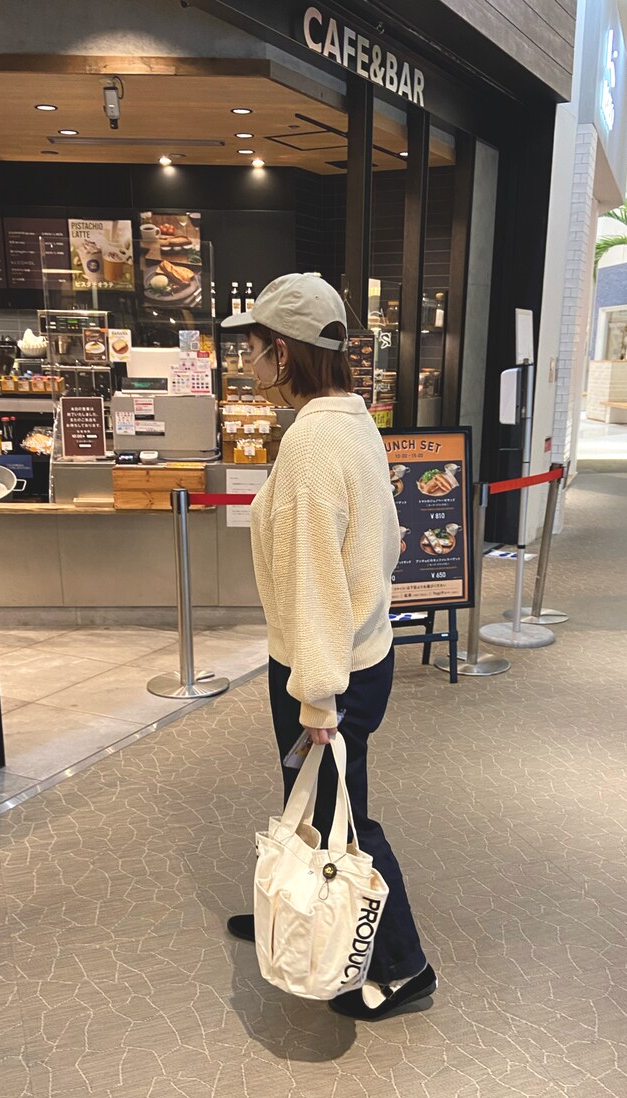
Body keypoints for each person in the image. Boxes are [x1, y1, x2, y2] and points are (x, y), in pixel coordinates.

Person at [221, 273, 436, 1021]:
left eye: (254, 348)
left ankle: (404, 967)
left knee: (349, 812)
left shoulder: (312, 440)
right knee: (312, 797)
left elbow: (313, 575)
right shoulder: (351, 417)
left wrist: (316, 696)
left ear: (282, 353)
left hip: (327, 668)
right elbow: (385, 537)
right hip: (354, 654)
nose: (248, 362)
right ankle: (296, 901)